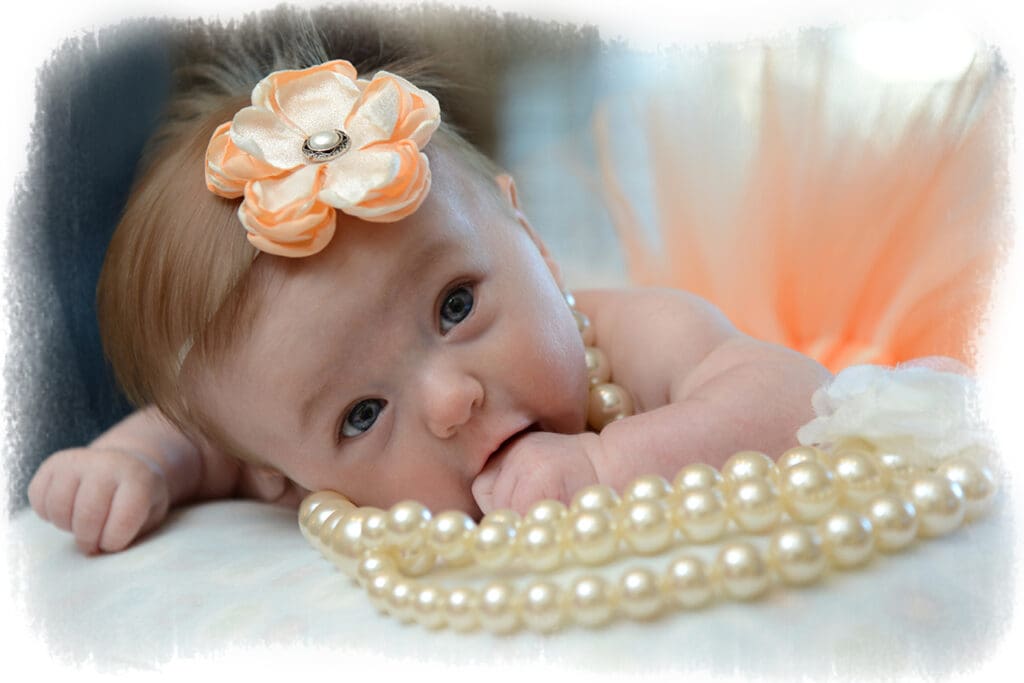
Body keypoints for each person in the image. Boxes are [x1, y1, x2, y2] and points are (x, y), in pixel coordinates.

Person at [27, 34, 835, 556]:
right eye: (362, 414)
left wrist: (606, 461)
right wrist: (130, 462)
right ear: (278, 473)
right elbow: (199, 435)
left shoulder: (627, 337)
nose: (452, 400)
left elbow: (799, 397)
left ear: (534, 241)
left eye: (455, 305)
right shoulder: (269, 443)